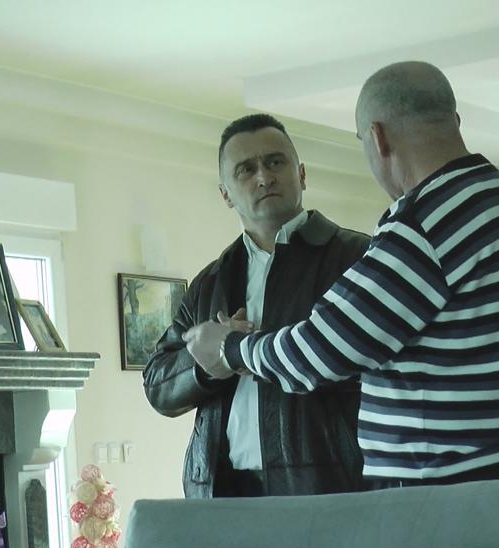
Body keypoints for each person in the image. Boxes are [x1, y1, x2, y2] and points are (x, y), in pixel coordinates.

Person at [184, 62, 499, 488]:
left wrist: (230, 348)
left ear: (378, 138)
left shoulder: (422, 222)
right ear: (454, 119)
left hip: (442, 490)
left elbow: (321, 351)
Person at [143, 113, 371, 498]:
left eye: (275, 162)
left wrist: (241, 350)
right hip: (221, 492)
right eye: (246, 169)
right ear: (226, 194)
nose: (264, 177)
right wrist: (208, 364)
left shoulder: (356, 257)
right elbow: (157, 385)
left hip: (327, 488)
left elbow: (371, 361)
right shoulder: (209, 282)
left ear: (301, 174)